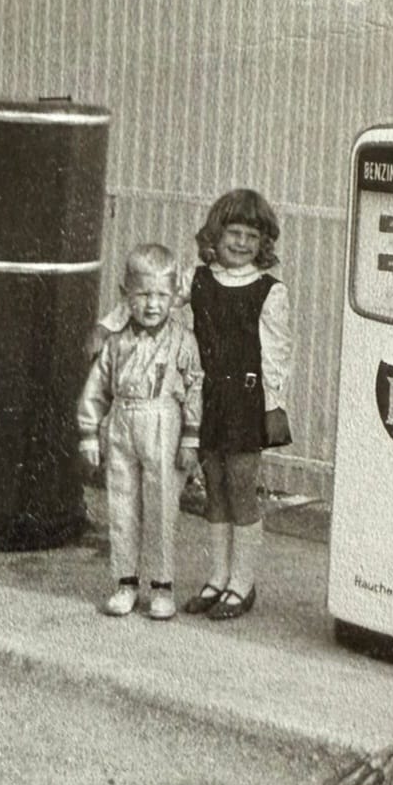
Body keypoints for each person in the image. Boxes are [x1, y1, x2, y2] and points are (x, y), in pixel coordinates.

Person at [93, 189, 294, 621]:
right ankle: (218, 577)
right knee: (214, 487)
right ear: (215, 234)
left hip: (245, 400)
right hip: (207, 398)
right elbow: (155, 293)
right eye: (233, 233)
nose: (241, 243)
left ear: (264, 243)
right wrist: (108, 326)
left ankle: (243, 582)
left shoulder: (270, 290)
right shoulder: (197, 278)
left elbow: (276, 355)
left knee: (241, 485)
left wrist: (274, 406)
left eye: (252, 236)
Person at [78, 244, 203, 620]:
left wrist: (191, 439)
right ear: (125, 294)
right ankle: (125, 582)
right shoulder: (116, 341)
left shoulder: (182, 339)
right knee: (122, 503)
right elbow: (96, 388)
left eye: (161, 295)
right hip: (123, 422)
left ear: (175, 296)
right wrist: (89, 432)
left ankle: (162, 586)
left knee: (161, 508)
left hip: (163, 420)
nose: (152, 304)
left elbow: (195, 387)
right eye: (143, 294)